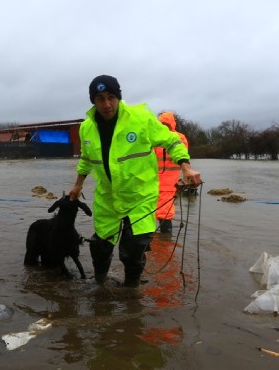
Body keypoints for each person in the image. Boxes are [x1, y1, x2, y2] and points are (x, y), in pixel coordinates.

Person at [69, 75, 202, 288]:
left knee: (132, 250)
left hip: (140, 196)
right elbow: (86, 159)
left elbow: (172, 141)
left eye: (111, 97)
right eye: (100, 98)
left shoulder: (141, 119)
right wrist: (78, 185)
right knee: (100, 247)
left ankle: (132, 292)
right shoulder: (86, 128)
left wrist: (186, 167)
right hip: (108, 197)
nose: (106, 104)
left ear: (119, 97)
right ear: (93, 101)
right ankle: (100, 285)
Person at [155, 112, 189, 234]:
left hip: (167, 184)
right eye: (162, 125)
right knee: (153, 213)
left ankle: (163, 243)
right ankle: (162, 242)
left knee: (164, 213)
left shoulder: (179, 138)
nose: (164, 127)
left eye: (166, 125)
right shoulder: (155, 137)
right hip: (155, 183)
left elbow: (182, 153)